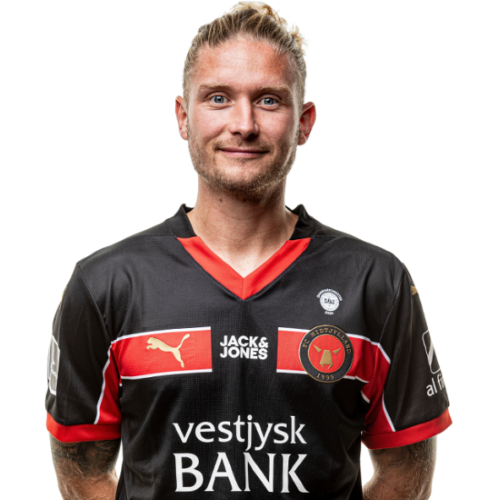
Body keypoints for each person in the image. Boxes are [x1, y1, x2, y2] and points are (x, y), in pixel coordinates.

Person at [45, 1, 453, 498]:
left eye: (269, 100)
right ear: (183, 117)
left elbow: (406, 475)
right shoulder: (105, 284)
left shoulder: (376, 283)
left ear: (304, 122)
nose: (243, 124)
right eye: (218, 98)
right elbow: (82, 472)